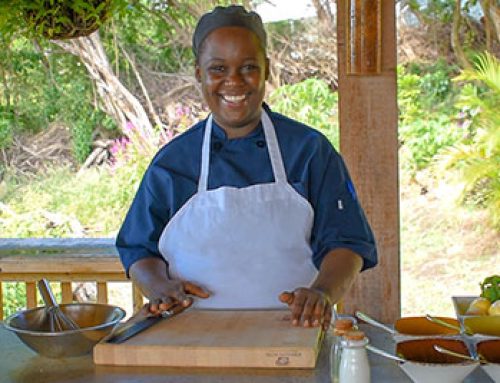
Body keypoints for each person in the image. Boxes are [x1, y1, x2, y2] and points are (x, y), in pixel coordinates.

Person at [116, 5, 377, 331]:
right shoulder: (173, 163)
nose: (234, 81)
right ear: (199, 73)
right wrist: (158, 286)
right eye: (218, 69)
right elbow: (138, 247)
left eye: (249, 67)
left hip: (295, 335)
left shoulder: (309, 151)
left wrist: (322, 292)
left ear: (267, 69)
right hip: (191, 338)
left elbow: (347, 242)